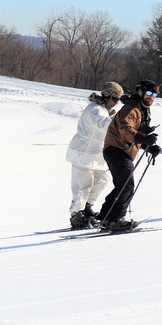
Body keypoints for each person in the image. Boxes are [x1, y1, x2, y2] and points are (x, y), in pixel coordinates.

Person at [95, 79, 162, 231]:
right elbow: (125, 129)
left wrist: (149, 146)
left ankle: (105, 216)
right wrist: (143, 138)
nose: (151, 97)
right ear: (140, 92)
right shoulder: (132, 108)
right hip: (116, 149)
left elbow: (136, 133)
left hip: (120, 149)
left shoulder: (142, 108)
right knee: (127, 185)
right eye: (149, 93)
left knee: (122, 185)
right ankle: (115, 219)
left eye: (155, 95)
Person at [65, 81, 123, 229]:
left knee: (103, 179)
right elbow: (103, 125)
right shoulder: (94, 109)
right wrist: (123, 116)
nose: (116, 103)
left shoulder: (105, 111)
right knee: (83, 185)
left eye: (119, 100)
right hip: (83, 153)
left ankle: (87, 206)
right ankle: (76, 214)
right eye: (115, 99)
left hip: (97, 156)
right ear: (107, 95)